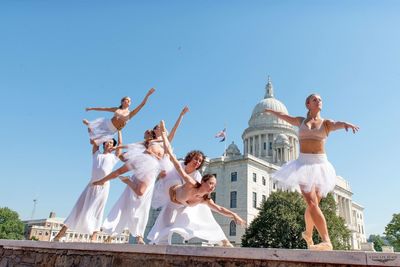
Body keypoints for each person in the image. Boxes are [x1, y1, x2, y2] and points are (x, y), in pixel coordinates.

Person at [265, 93, 359, 251]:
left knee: (313, 206)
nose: (319, 101)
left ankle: (308, 233)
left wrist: (346, 124)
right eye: (315, 99)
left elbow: (337, 123)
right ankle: (326, 240)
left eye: (321, 99)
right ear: (308, 104)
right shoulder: (300, 121)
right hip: (302, 164)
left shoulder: (326, 123)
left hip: (320, 165)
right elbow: (285, 116)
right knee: (311, 203)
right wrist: (271, 111)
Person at [93, 107, 189, 244]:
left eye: (162, 129)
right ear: (155, 131)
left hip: (153, 167)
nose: (160, 129)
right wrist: (118, 147)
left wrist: (181, 115)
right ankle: (101, 181)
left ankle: (138, 233)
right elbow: (132, 145)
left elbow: (174, 130)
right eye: (157, 128)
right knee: (119, 171)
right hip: (142, 160)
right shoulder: (150, 141)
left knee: (141, 193)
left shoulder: (166, 141)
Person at [143, 120, 246, 246]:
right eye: (196, 159)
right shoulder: (191, 181)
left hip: (183, 204)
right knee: (160, 234)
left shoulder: (202, 193)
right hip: (171, 194)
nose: (197, 162)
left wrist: (234, 215)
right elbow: (175, 162)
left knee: (205, 211)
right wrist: (164, 135)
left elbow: (219, 208)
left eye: (200, 161)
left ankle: (222, 239)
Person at [53, 131, 123, 242]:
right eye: (107, 142)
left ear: (113, 146)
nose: (109, 144)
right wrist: (105, 131)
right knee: (79, 207)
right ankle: (60, 234)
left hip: (103, 186)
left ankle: (93, 237)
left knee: (97, 210)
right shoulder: (97, 154)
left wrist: (119, 131)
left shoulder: (113, 158)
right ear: (104, 144)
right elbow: (95, 142)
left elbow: (120, 145)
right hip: (91, 185)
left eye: (111, 143)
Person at [83, 88, 155, 145]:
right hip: (107, 124)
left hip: (112, 131)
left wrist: (148, 94)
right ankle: (89, 125)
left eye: (130, 100)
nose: (129, 101)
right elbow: (104, 108)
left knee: (93, 143)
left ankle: (90, 127)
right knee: (91, 128)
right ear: (122, 102)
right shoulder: (117, 109)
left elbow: (142, 105)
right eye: (127, 100)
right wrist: (91, 108)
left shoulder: (131, 113)